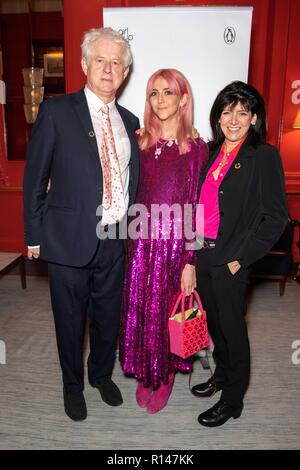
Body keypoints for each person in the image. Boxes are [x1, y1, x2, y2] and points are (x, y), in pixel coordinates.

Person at [23, 27, 140, 421]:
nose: (109, 69)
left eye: (117, 63)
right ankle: (72, 386)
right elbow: (35, 179)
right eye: (101, 60)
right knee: (70, 320)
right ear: (84, 64)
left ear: (125, 72)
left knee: (108, 318)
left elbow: (131, 178)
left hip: (114, 237)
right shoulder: (57, 112)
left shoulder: (130, 119)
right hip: (67, 239)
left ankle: (101, 376)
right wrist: (34, 235)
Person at [192, 81, 288, 427]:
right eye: (227, 111)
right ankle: (221, 375)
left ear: (254, 118)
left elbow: (275, 218)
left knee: (233, 329)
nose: (234, 119)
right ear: (217, 117)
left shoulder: (263, 155)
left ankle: (232, 401)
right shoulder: (209, 152)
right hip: (203, 254)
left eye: (242, 112)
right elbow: (197, 207)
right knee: (215, 325)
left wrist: (240, 259)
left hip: (231, 259)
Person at [119, 68, 208, 413]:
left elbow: (197, 206)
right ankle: (146, 372)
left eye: (168, 92)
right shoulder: (140, 141)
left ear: (183, 99)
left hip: (174, 248)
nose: (159, 100)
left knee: (168, 313)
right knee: (142, 310)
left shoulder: (197, 148)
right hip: (140, 243)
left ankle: (166, 374)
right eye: (154, 93)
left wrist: (190, 260)